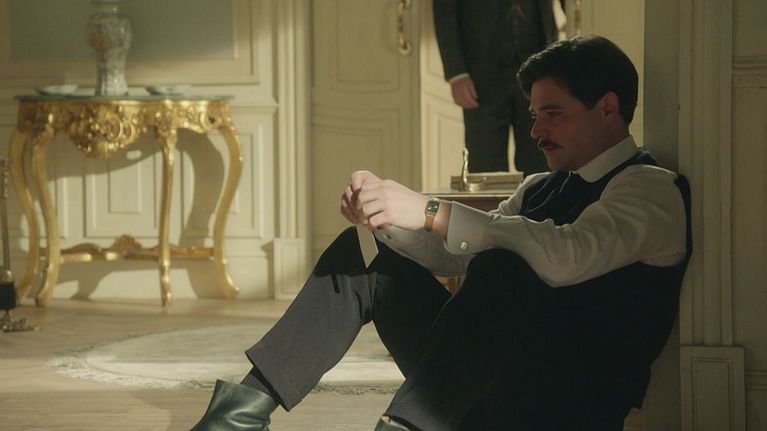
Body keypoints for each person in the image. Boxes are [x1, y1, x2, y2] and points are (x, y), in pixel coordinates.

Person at [190, 35, 691, 431]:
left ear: (607, 108)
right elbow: (460, 257)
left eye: (552, 113)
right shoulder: (539, 186)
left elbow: (566, 257)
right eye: (534, 115)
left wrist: (432, 210)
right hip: (480, 395)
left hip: (566, 409)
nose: (536, 131)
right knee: (367, 251)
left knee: (504, 266)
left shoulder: (650, 188)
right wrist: (385, 217)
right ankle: (236, 417)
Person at [433, 0, 562, 174]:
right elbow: (444, 13)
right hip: (481, 75)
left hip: (537, 70)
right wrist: (457, 73)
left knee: (541, 161)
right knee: (485, 165)